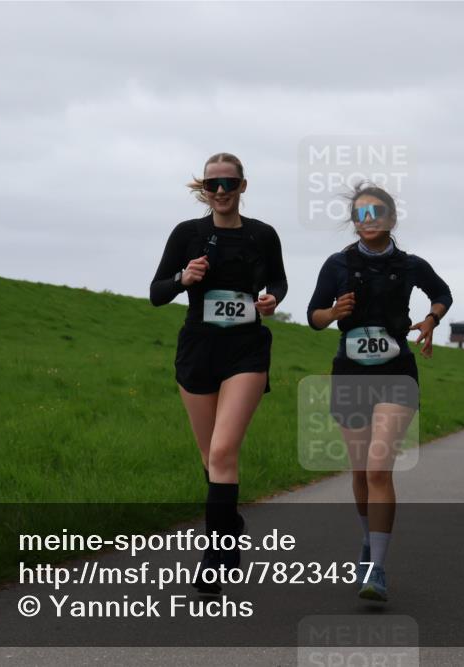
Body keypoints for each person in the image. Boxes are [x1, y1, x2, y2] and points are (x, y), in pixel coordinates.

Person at [307, 182, 452, 602]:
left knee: (377, 470)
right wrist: (333, 312)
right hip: (350, 374)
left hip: (396, 375)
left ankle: (376, 569)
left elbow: (442, 293)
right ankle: (369, 542)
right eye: (360, 215)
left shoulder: (410, 265)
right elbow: (314, 316)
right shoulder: (336, 264)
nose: (367, 221)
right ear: (354, 222)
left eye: (375, 214)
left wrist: (430, 321)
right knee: (359, 473)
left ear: (390, 219)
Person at [150, 152, 287, 594]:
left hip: (246, 349)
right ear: (203, 190)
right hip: (199, 350)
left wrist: (270, 299)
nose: (222, 192)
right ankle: (230, 523)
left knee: (224, 450)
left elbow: (280, 281)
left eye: (230, 184)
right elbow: (156, 292)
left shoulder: (263, 235)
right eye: (214, 185)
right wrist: (183, 280)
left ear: (243, 186)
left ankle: (214, 558)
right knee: (210, 459)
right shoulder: (187, 234)